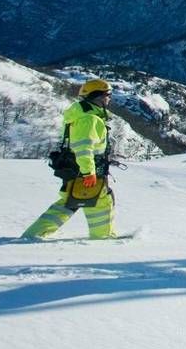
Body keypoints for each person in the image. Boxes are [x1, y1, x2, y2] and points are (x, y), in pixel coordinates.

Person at [23, 78, 118, 240]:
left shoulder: (81, 115)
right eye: (108, 95)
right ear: (100, 96)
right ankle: (103, 237)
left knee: (70, 201)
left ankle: (34, 234)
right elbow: (83, 147)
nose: (109, 99)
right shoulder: (90, 119)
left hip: (75, 167)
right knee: (102, 200)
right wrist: (89, 172)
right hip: (86, 170)